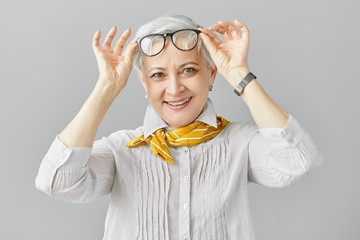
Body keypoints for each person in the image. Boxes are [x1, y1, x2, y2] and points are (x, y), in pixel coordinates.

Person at [35, 15, 323, 240]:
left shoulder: (239, 142)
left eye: (189, 70)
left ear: (211, 74)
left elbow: (298, 161)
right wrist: (106, 90)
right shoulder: (121, 149)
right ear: (144, 83)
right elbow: (57, 181)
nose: (174, 88)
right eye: (158, 74)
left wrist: (240, 76)